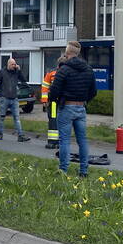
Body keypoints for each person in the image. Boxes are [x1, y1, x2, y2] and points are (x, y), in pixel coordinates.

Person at [49, 41, 97, 176]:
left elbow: (54, 90)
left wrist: (55, 100)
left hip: (66, 107)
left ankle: (63, 169)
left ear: (67, 53)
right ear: (78, 53)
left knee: (64, 140)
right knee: (82, 140)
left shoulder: (64, 69)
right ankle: (84, 171)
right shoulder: (88, 69)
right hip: (81, 108)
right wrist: (84, 100)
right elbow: (93, 91)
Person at [0, 57, 30, 142]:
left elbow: (23, 80)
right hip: (4, 98)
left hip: (14, 98)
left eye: (15, 64)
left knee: (17, 118)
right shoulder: (2, 72)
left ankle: (20, 135)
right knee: (2, 117)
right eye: (12, 64)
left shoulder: (16, 72)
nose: (14, 66)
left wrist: (19, 70)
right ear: (8, 64)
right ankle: (0, 135)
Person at [40, 56, 64, 149]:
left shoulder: (51, 74)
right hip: (63, 102)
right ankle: (59, 142)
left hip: (54, 102)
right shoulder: (69, 73)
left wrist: (45, 101)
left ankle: (52, 142)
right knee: (61, 122)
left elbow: (45, 88)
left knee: (53, 121)